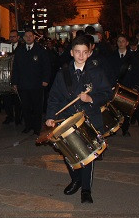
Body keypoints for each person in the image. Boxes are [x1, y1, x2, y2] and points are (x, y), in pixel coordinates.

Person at [45, 35, 113, 204]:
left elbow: (107, 94)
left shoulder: (96, 72)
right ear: (71, 53)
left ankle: (86, 190)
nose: (81, 56)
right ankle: (76, 179)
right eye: (77, 52)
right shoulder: (63, 74)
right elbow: (54, 97)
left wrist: (91, 99)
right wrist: (50, 117)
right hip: (67, 120)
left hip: (89, 119)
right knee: (68, 154)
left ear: (89, 53)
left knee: (87, 156)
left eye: (84, 52)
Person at [11, 30, 51, 136]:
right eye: (26, 36)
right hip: (23, 84)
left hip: (37, 84)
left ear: (34, 37)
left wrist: (46, 79)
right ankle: (28, 126)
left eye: (30, 36)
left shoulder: (40, 50)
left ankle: (37, 128)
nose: (28, 38)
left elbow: (46, 66)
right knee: (26, 107)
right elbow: (15, 68)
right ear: (23, 38)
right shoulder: (19, 51)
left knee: (37, 107)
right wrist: (14, 82)